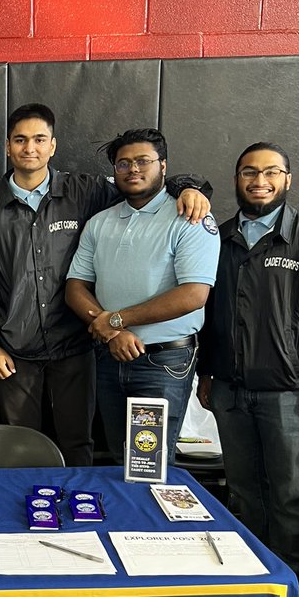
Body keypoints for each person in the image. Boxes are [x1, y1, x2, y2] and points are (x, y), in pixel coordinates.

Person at [0, 105, 210, 465]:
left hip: (77, 345)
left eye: (39, 139)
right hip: (14, 350)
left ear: (53, 145)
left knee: (80, 444)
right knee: (18, 449)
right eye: (20, 140)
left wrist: (190, 187)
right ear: (7, 147)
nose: (29, 148)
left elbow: (141, 186)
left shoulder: (88, 192)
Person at [197, 143, 299, 587]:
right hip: (229, 390)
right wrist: (206, 373)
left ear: (288, 179)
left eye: (271, 172)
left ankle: (292, 577)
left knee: (290, 493)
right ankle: (255, 569)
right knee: (243, 490)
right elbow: (206, 312)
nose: (260, 181)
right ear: (237, 178)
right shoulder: (217, 238)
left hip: (291, 392)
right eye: (249, 172)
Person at [65, 127, 220, 466]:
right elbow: (75, 286)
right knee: (121, 459)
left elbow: (194, 294)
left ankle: (149, 522)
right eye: (123, 163)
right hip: (110, 357)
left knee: (149, 466)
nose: (133, 169)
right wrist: (112, 331)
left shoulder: (190, 216)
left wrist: (119, 320)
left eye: (142, 161)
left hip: (163, 364)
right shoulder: (99, 223)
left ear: (163, 166)